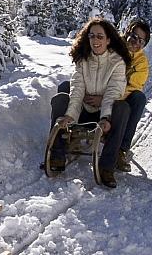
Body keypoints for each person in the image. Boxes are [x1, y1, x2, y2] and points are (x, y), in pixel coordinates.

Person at [48, 17, 131, 188]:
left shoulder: (117, 62)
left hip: (103, 111)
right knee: (60, 99)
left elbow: (113, 93)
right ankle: (57, 154)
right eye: (92, 36)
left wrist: (106, 117)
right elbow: (77, 89)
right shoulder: (83, 60)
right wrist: (70, 115)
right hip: (84, 109)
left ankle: (107, 166)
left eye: (100, 36)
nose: (95, 40)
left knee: (122, 107)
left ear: (108, 40)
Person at [116, 19, 151, 172]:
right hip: (99, 90)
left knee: (138, 98)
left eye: (141, 40)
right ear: (128, 32)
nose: (136, 42)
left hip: (119, 97)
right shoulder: (113, 46)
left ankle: (121, 149)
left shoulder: (141, 62)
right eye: (134, 36)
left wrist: (112, 97)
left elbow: (133, 87)